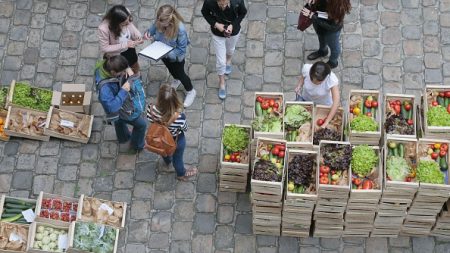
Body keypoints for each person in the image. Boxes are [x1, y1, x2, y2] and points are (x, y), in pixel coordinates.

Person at [143, 5, 196, 108]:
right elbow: (152, 29)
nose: (159, 23)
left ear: (170, 20)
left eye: (161, 22)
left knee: (181, 74)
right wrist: (148, 34)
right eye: (158, 20)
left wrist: (166, 52)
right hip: (163, 54)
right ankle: (176, 79)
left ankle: (190, 91)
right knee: (171, 70)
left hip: (176, 57)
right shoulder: (160, 21)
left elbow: (181, 50)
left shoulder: (180, 29)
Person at [94, 55, 147, 153]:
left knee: (118, 120)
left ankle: (124, 137)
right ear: (113, 72)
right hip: (121, 108)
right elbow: (112, 107)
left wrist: (127, 69)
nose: (124, 73)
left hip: (118, 110)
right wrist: (123, 90)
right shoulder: (105, 90)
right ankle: (137, 145)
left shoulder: (104, 65)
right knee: (141, 125)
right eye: (122, 72)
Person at [146, 84, 198, 181]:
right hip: (175, 140)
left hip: (159, 138)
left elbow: (149, 119)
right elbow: (185, 128)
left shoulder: (151, 109)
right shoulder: (179, 117)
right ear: (175, 100)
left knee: (163, 150)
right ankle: (181, 174)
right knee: (177, 158)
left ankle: (167, 161)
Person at [201, 0, 247, 99]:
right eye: (220, 4)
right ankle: (222, 83)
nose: (223, 7)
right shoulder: (209, 2)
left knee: (230, 49)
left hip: (233, 31)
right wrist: (216, 24)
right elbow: (204, 12)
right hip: (217, 33)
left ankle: (229, 60)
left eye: (226, 4)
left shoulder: (237, 1)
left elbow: (243, 13)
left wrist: (232, 25)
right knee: (221, 62)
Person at [301, 0, 351, 69]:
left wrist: (312, 16)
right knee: (321, 37)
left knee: (334, 47)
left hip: (331, 31)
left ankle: (333, 62)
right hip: (319, 22)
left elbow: (333, 27)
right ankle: (323, 51)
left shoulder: (339, 6)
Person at [98, 5, 144, 74]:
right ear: (116, 23)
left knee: (134, 64)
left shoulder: (125, 13)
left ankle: (136, 77)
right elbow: (105, 48)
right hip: (117, 55)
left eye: (128, 20)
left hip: (129, 49)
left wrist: (137, 35)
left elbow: (130, 25)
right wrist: (125, 45)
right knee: (122, 71)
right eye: (124, 23)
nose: (128, 23)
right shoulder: (103, 29)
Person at [294, 61, 340, 128]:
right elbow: (303, 77)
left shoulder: (331, 79)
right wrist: (299, 86)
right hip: (307, 98)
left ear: (325, 78)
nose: (314, 82)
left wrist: (326, 122)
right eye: (312, 78)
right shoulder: (307, 69)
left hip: (323, 103)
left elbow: (336, 102)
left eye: (318, 81)